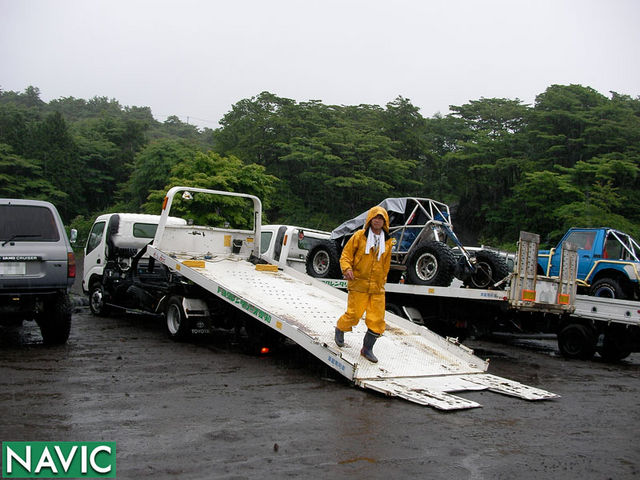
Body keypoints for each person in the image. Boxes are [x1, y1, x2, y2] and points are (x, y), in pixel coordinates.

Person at [334, 205, 393, 363]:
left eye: (381, 218)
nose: (377, 221)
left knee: (377, 320)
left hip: (377, 288)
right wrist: (347, 269)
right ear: (370, 219)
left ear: (385, 222)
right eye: (375, 217)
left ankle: (367, 349)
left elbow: (386, 263)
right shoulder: (359, 236)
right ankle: (340, 328)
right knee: (353, 315)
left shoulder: (387, 242)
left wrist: (383, 280)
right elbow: (345, 255)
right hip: (358, 283)